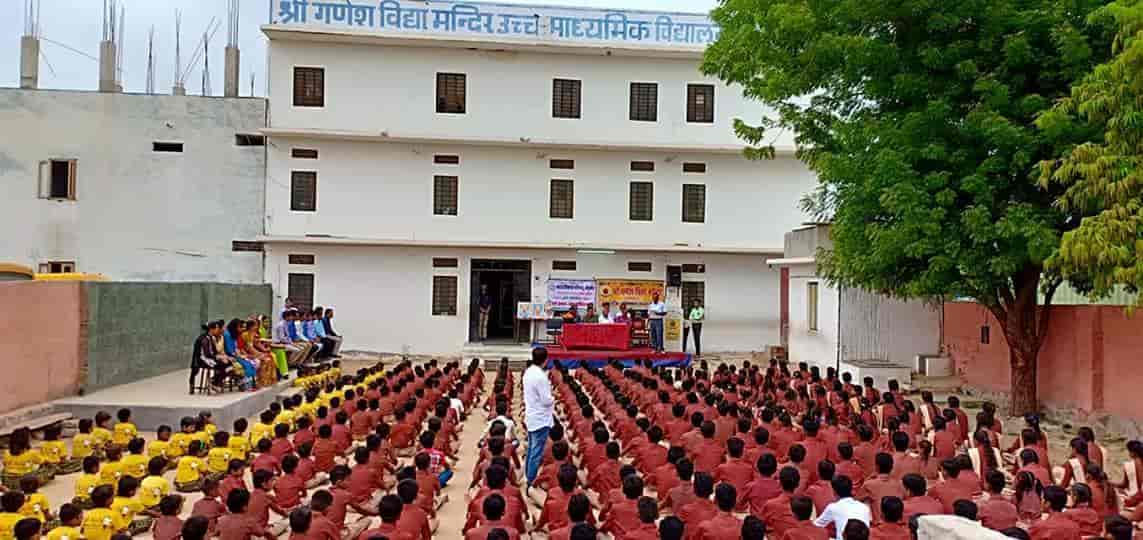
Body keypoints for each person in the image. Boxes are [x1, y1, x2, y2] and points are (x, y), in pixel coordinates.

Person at [523, 347, 554, 487]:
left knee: (531, 449)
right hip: (540, 418)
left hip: (531, 415)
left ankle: (528, 475)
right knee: (536, 452)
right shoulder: (540, 376)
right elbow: (546, 400)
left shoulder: (529, 372)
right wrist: (554, 398)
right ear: (546, 359)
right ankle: (531, 481)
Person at [190, 321, 227, 394]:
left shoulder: (211, 337)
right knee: (221, 364)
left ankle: (214, 382)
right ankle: (213, 383)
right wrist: (218, 357)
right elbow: (207, 354)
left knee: (227, 364)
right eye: (216, 328)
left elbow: (215, 351)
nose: (218, 329)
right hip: (202, 360)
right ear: (211, 329)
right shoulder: (204, 339)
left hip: (210, 358)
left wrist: (222, 356)